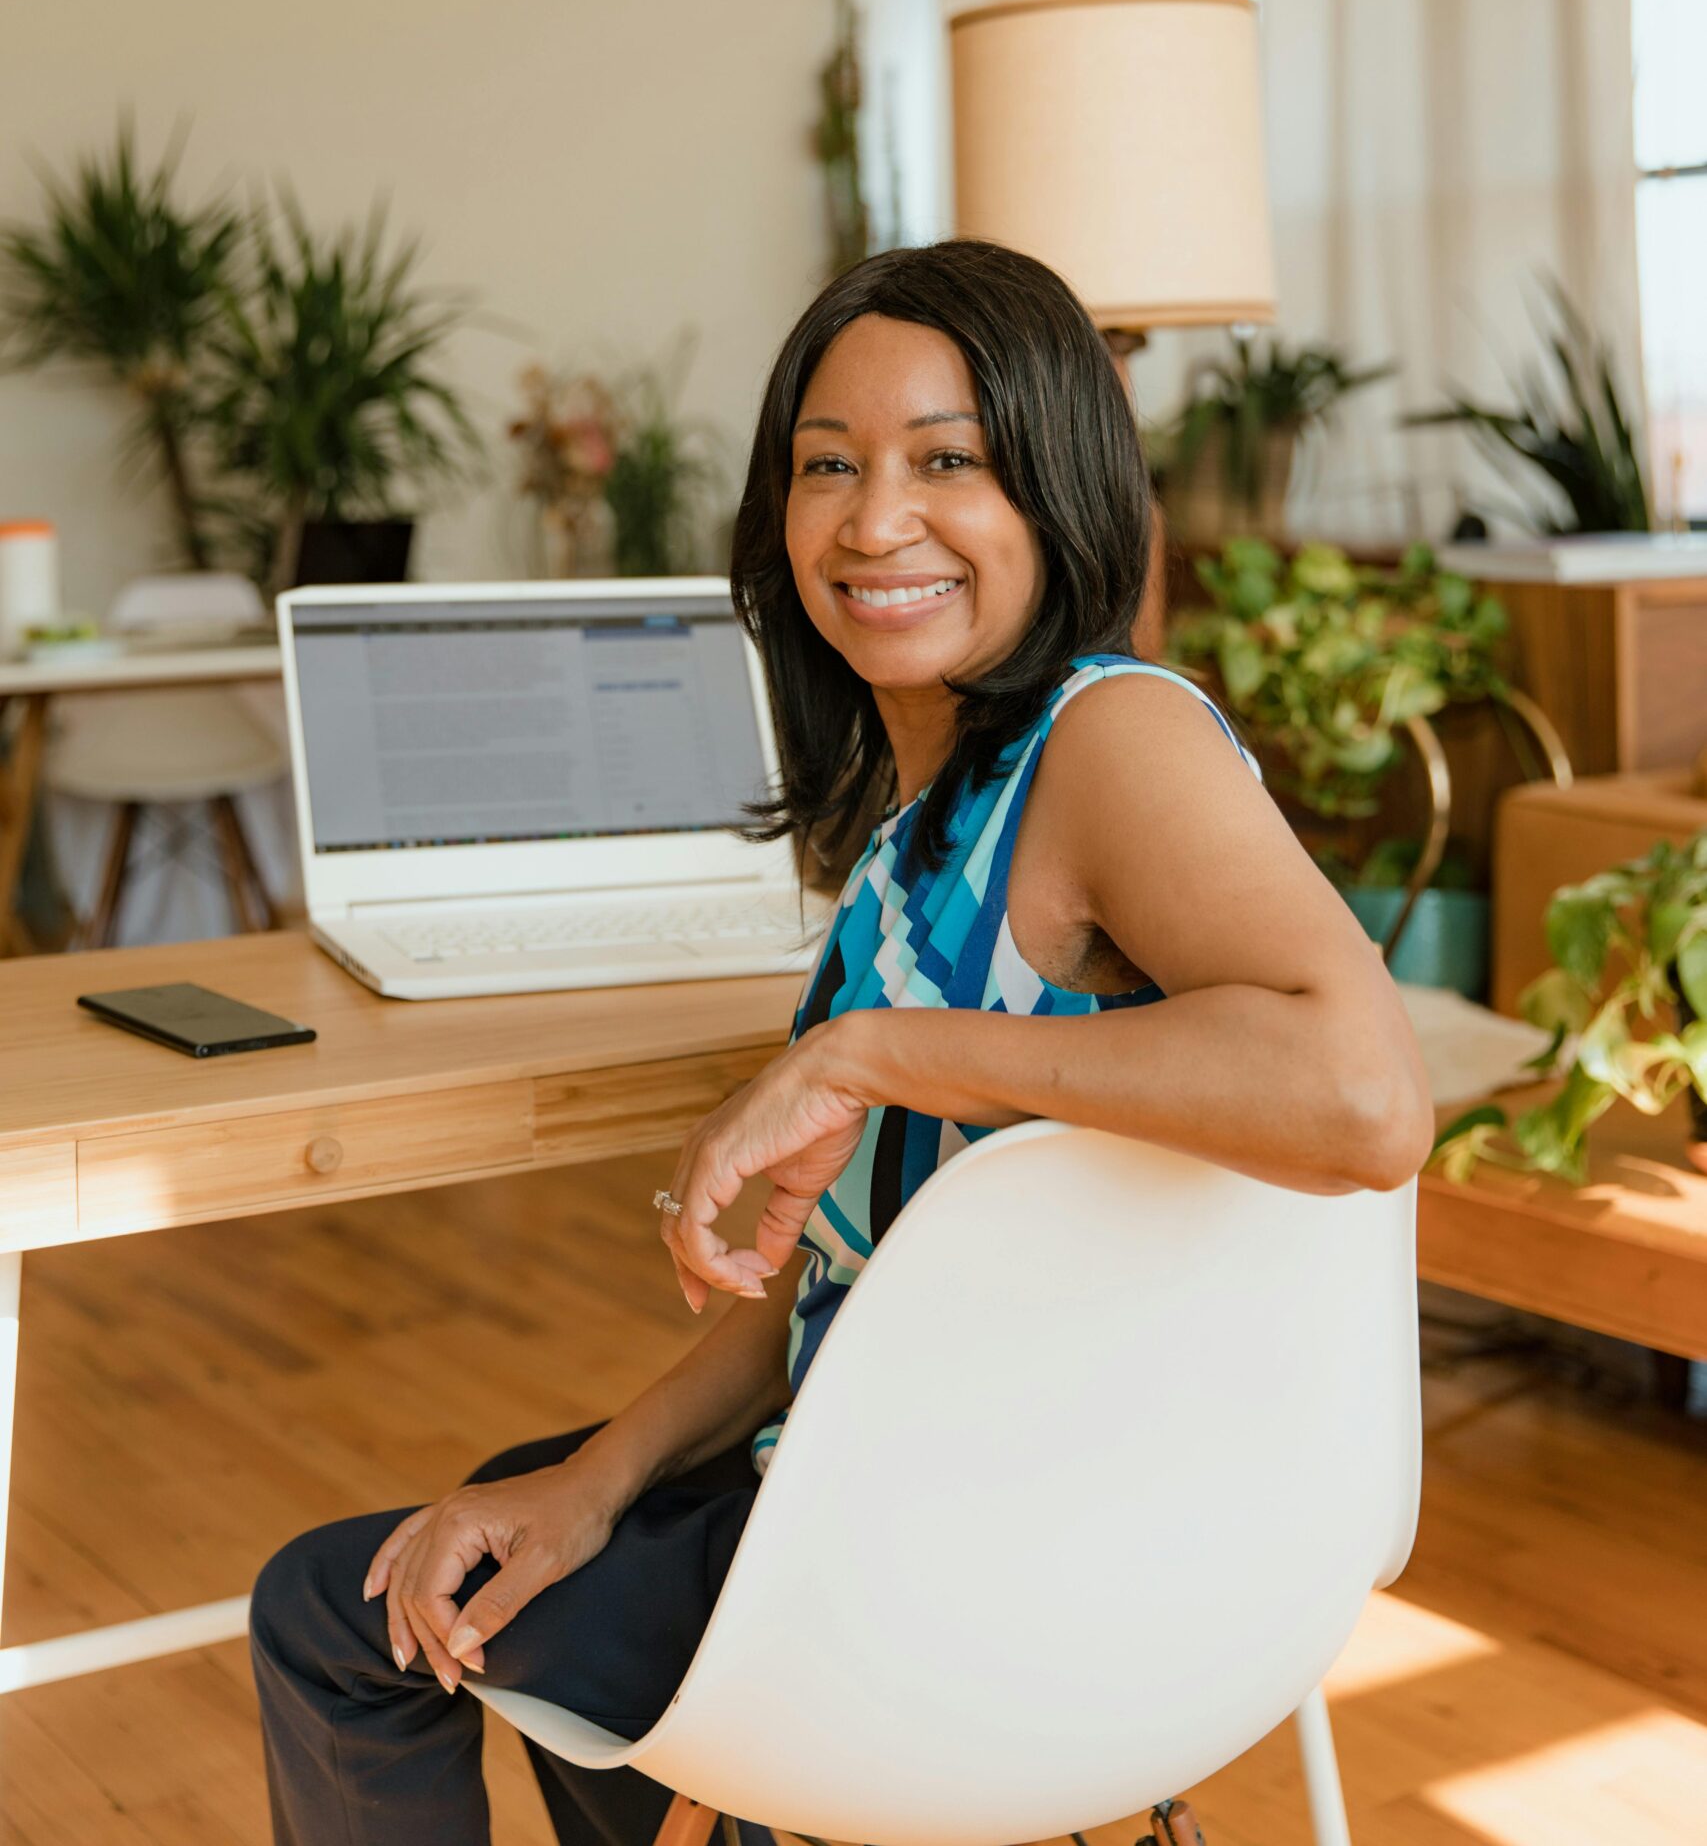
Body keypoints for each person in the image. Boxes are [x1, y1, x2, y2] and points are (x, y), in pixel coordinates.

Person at [250, 239, 1433, 1846]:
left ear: (1056, 491)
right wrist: (594, 1481)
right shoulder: (921, 834)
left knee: (344, 1612)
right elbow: (851, 1286)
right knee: (534, 1523)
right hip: (956, 1490)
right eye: (829, 467)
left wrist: (872, 1054)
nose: (877, 522)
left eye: (948, 461)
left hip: (964, 1562)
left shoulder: (1106, 734)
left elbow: (1364, 1099)